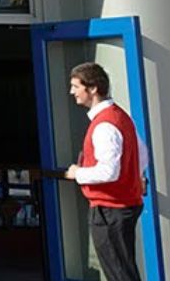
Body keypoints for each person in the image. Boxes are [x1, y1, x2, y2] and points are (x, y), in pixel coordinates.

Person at [64, 63, 145, 281]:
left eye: (76, 86)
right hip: (122, 205)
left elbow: (109, 172)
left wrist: (77, 173)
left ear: (92, 89)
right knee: (123, 269)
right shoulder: (120, 116)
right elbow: (142, 154)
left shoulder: (104, 125)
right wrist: (133, 178)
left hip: (110, 208)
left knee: (119, 273)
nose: (72, 92)